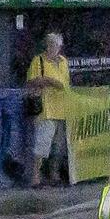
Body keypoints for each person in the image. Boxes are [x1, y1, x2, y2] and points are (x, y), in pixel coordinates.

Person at [26, 32, 72, 186]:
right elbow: (31, 81)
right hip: (46, 109)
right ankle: (35, 177)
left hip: (62, 108)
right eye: (51, 45)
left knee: (58, 146)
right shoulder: (38, 60)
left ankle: (54, 175)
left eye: (57, 45)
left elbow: (66, 83)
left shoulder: (64, 61)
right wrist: (49, 81)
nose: (54, 48)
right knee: (42, 145)